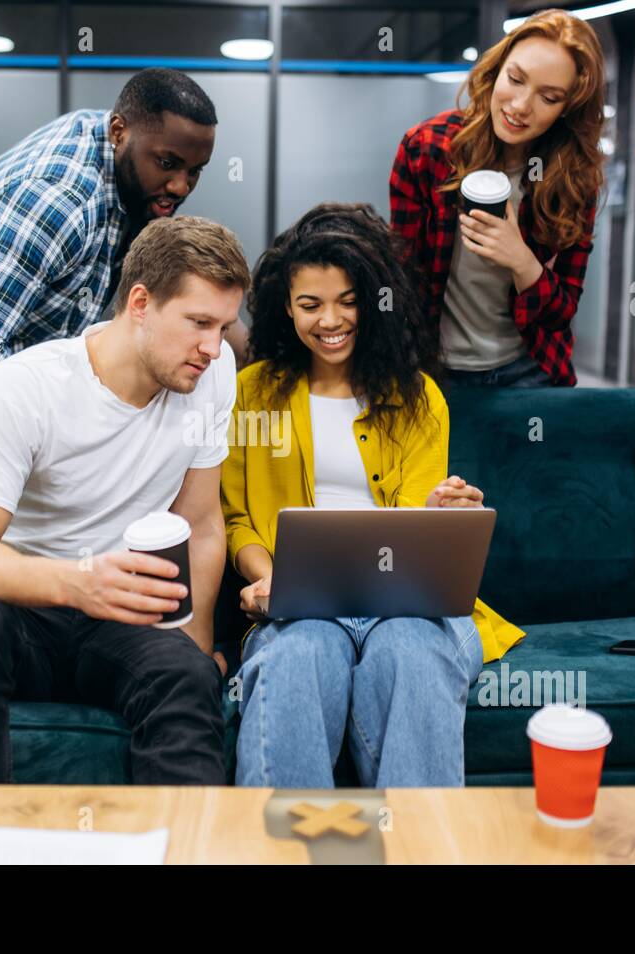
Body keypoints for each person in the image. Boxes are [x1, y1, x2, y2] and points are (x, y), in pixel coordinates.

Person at [0, 215, 250, 785]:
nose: (214, 347)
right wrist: (79, 581)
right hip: (24, 606)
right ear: (140, 302)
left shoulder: (211, 376)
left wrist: (196, 646)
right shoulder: (26, 387)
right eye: (198, 323)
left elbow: (201, 523)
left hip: (123, 619)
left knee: (187, 676)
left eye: (224, 326)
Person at [221, 203, 524, 789]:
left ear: (377, 300)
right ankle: (279, 853)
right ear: (286, 307)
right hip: (299, 606)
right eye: (310, 304)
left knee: (410, 650)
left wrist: (437, 519)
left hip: (406, 605)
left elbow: (412, 530)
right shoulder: (252, 393)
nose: (330, 320)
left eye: (348, 301)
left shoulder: (418, 397)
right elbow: (238, 520)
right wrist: (273, 581)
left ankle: (420, 849)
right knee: (295, 655)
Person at [0, 68, 247, 404]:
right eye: (168, 164)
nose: (181, 186)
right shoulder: (59, 204)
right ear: (119, 132)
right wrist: (64, 421)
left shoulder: (119, 150)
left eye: (195, 171)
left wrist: (258, 352)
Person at [389, 8, 606, 387]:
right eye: (516, 79)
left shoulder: (574, 181)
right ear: (496, 69)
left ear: (568, 109)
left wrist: (522, 261)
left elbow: (560, 313)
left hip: (530, 368)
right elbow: (402, 277)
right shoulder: (427, 149)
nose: (521, 106)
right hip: (436, 368)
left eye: (549, 97)